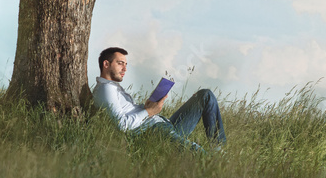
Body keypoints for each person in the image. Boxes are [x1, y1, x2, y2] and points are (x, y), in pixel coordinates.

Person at [92, 47, 226, 152]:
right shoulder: (106, 89)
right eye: (120, 64)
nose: (125, 69)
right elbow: (122, 125)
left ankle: (218, 150)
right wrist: (149, 112)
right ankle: (218, 162)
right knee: (197, 152)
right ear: (106, 64)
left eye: (126, 64)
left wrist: (145, 107)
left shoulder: (114, 88)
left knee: (205, 95)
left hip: (165, 124)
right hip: (155, 131)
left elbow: (127, 113)